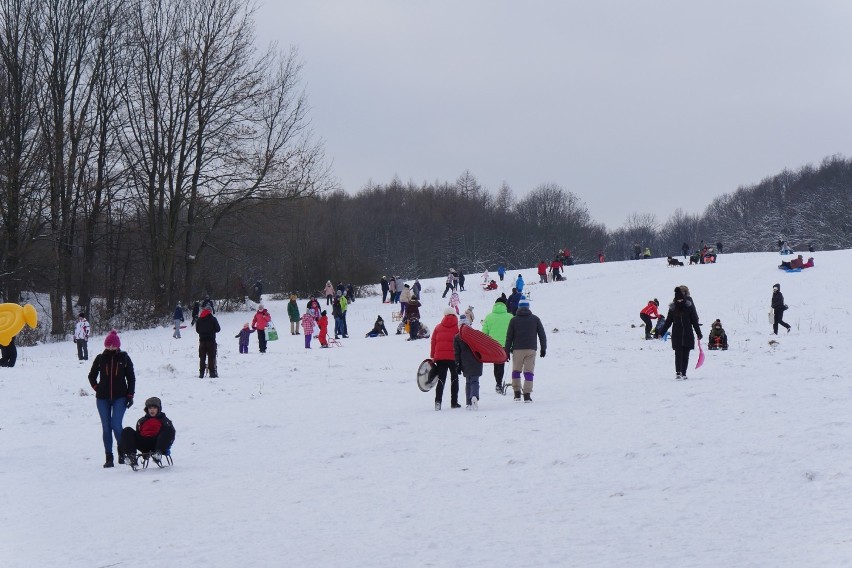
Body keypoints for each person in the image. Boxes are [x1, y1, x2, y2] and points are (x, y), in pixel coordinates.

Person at [88, 330, 135, 468]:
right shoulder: (100, 358)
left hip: (120, 397)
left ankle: (122, 451)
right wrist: (97, 387)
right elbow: (91, 375)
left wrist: (130, 395)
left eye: (113, 346)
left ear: (118, 345)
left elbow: (131, 378)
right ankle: (109, 456)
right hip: (102, 398)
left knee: (116, 424)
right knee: (106, 428)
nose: (110, 348)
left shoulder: (124, 358)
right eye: (108, 345)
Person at [504, 297, 546, 402]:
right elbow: (542, 335)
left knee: (516, 371)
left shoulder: (513, 320)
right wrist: (543, 348)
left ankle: (517, 394)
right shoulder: (535, 319)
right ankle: (527, 395)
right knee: (529, 372)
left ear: (519, 307)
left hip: (517, 349)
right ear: (528, 307)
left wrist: (506, 351)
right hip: (531, 349)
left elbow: (509, 337)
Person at [118, 397, 176, 468]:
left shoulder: (164, 420)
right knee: (127, 430)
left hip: (157, 443)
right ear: (147, 409)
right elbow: (138, 432)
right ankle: (131, 456)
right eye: (150, 408)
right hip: (144, 443)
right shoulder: (142, 421)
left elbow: (170, 435)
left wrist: (165, 447)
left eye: (154, 408)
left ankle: (157, 454)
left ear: (158, 409)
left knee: (169, 429)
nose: (152, 410)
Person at [659, 286, 702, 380]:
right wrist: (661, 332)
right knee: (678, 353)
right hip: (677, 334)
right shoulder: (673, 308)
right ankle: (678, 372)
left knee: (686, 354)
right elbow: (668, 321)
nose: (679, 301)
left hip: (688, 333)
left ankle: (684, 373)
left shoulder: (689, 307)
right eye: (678, 299)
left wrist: (698, 333)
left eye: (681, 298)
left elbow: (694, 321)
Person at [431, 308, 461, 410]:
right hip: (454, 357)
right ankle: (454, 402)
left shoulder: (438, 327)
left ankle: (438, 402)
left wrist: (433, 356)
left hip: (440, 358)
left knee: (441, 379)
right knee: (454, 379)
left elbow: (433, 341)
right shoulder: (458, 328)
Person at [482, 296, 513, 394]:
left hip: (493, 346)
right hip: (506, 345)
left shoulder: (488, 317)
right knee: (501, 364)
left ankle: (498, 383)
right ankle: (499, 384)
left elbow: (484, 334)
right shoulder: (510, 316)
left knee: (497, 365)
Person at [454, 314, 483, 410]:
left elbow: (457, 353)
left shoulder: (457, 337)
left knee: (468, 382)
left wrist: (457, 365)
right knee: (475, 380)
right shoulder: (475, 333)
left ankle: (469, 403)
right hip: (476, 360)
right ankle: (474, 396)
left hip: (465, 362)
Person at [195, 305, 220, 378]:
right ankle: (212, 373)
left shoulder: (199, 319)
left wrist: (202, 333)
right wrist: (212, 331)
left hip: (202, 341)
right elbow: (218, 329)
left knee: (202, 357)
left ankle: (201, 373)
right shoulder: (213, 319)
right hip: (211, 341)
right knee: (211, 357)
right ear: (210, 311)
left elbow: (197, 330)